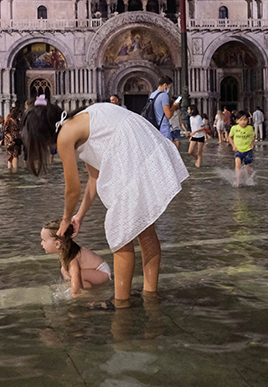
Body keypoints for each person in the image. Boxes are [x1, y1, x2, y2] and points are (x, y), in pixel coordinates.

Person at [22, 101, 187, 308]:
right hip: (143, 143)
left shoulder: (65, 134)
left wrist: (65, 220)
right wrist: (79, 217)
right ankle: (149, 293)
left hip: (131, 151)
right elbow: (94, 179)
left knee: (120, 235)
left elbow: (72, 190)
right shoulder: (81, 121)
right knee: (144, 229)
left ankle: (120, 302)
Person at [40, 218, 111, 295]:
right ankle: (81, 288)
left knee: (78, 276)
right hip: (93, 271)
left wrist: (73, 294)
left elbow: (75, 276)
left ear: (57, 244)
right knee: (64, 270)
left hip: (102, 272)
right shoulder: (66, 252)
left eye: (44, 240)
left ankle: (87, 295)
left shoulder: (72, 257)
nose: (41, 243)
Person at [148, 77, 180, 142]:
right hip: (163, 127)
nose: (169, 89)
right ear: (165, 85)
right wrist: (174, 106)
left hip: (154, 126)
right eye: (169, 87)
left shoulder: (152, 95)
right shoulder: (164, 96)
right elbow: (168, 115)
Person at [228, 111, 256, 184]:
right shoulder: (234, 128)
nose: (243, 122)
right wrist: (233, 145)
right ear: (237, 120)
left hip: (248, 150)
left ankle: (250, 179)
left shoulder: (250, 128)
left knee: (247, 168)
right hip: (238, 150)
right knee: (237, 165)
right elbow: (230, 137)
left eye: (245, 119)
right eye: (241, 120)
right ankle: (238, 181)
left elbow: (254, 136)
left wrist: (252, 143)